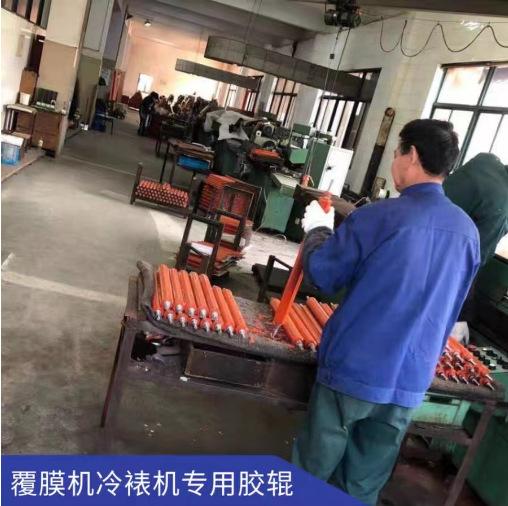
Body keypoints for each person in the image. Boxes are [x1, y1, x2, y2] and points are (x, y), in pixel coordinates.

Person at [293, 119, 480, 506]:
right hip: (410, 377)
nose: (394, 161)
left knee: (312, 469)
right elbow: (453, 304)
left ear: (412, 155)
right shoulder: (467, 233)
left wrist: (317, 231)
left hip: (354, 369)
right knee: (363, 484)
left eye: (396, 152)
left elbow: (324, 274)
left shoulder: (380, 217)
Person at [443, 153, 508, 322]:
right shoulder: (501, 207)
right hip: (437, 264)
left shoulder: (486, 160)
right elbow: (472, 262)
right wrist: (460, 317)